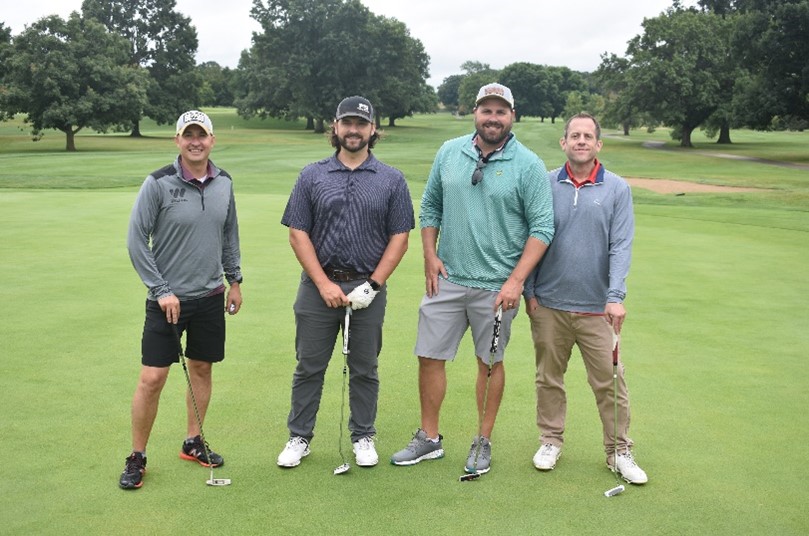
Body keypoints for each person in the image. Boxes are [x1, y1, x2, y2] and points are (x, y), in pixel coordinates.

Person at [390, 83, 555, 475]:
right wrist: (429, 255)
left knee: (490, 364)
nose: (492, 117)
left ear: (512, 116)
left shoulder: (528, 164)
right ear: (474, 113)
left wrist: (516, 281)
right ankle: (429, 438)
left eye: (500, 111)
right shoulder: (450, 152)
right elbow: (430, 206)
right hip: (446, 280)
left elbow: (543, 227)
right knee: (429, 357)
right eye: (486, 110)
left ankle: (482, 441)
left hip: (497, 287)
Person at [277, 96, 415, 469]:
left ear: (373, 130)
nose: (353, 130)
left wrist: (373, 284)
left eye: (361, 124)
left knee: (364, 367)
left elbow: (400, 237)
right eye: (347, 123)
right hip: (318, 287)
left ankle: (363, 435)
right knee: (309, 365)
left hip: (367, 289)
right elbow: (298, 233)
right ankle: (300, 437)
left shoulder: (391, 179)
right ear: (335, 128)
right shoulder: (312, 175)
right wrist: (323, 283)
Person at [119, 110, 243, 490]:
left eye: (201, 135)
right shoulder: (157, 183)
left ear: (211, 140)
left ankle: (193, 441)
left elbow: (229, 234)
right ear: (177, 140)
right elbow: (136, 241)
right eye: (188, 135)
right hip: (166, 300)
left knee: (202, 368)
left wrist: (234, 279)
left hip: (209, 296)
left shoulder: (224, 182)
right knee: (153, 378)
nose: (195, 141)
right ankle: (137, 456)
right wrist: (161, 290)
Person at [526, 112, 648, 484]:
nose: (580, 141)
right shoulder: (544, 184)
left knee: (611, 382)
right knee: (549, 378)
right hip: (549, 304)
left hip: (598, 309)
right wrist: (530, 290)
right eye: (574, 135)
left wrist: (615, 296)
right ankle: (550, 440)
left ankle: (619, 452)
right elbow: (530, 237)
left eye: (587, 136)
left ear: (598, 144)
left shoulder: (617, 189)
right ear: (563, 143)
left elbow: (621, 246)